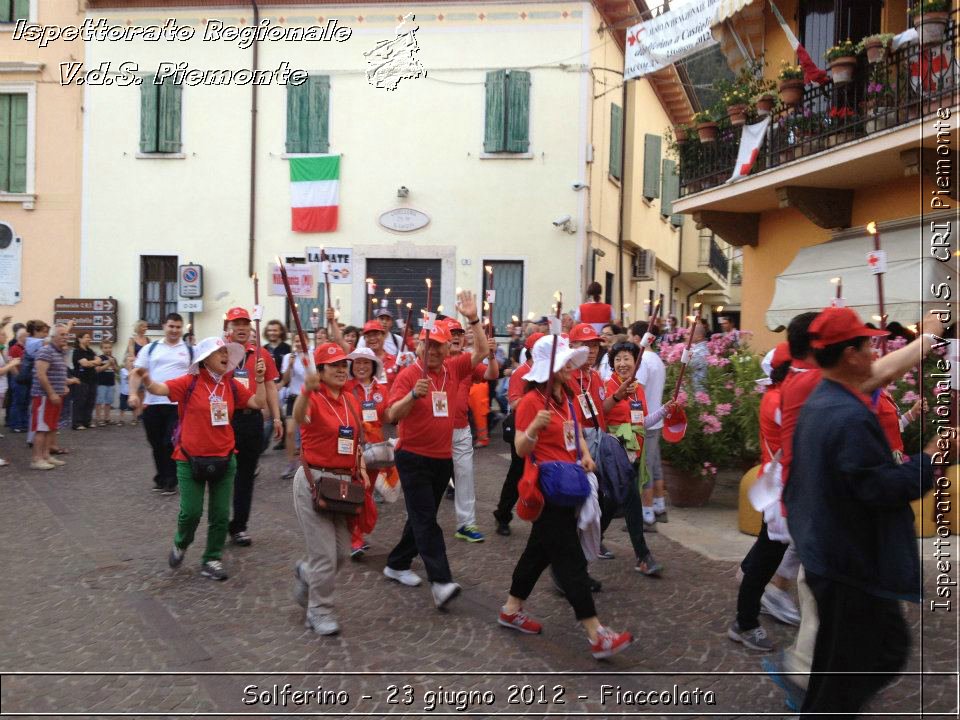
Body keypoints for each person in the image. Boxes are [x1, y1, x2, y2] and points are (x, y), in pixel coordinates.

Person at [784, 307, 945, 717]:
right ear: (851, 355)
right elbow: (881, 488)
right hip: (849, 561)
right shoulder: (845, 413)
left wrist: (925, 342)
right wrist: (930, 459)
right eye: (867, 343)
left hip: (832, 550)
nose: (875, 350)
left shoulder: (825, 395)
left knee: (842, 666)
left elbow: (876, 377)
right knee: (879, 654)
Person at [499, 334, 633, 659]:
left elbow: (575, 434)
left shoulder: (567, 398)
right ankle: (596, 632)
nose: (571, 368)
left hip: (571, 482)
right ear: (551, 369)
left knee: (538, 553)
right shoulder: (532, 402)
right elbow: (520, 448)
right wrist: (532, 429)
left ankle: (511, 609)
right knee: (570, 561)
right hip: (548, 490)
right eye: (564, 364)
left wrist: (585, 455)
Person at [382, 291, 488, 609]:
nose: (433, 351)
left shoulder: (454, 369)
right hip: (412, 456)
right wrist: (413, 395)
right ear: (419, 346)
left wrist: (472, 318)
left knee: (420, 514)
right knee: (427, 518)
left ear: (445, 348)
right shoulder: (409, 375)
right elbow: (391, 415)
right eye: (428, 345)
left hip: (443, 458)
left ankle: (397, 563)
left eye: (439, 346)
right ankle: (441, 581)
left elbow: (482, 350)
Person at [138, 337, 265, 582]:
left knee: (219, 514)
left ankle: (211, 558)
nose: (225, 355)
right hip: (189, 458)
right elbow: (160, 389)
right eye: (219, 352)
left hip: (225, 457)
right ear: (205, 359)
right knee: (191, 513)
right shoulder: (190, 382)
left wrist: (259, 381)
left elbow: (258, 402)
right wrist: (146, 380)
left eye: (226, 352)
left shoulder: (231, 385)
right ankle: (181, 543)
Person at [290, 342, 364, 635]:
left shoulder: (350, 399)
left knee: (342, 554)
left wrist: (360, 467)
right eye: (333, 365)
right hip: (314, 482)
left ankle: (307, 574)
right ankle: (319, 612)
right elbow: (299, 417)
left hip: (343, 484)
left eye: (343, 364)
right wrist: (307, 390)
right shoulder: (314, 397)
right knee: (324, 556)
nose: (340, 370)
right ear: (319, 371)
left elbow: (354, 439)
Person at [601, 341, 675, 575]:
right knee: (632, 501)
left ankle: (588, 542)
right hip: (614, 454)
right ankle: (643, 556)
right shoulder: (607, 386)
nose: (622, 363)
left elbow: (639, 422)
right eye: (618, 359)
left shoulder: (638, 389)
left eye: (627, 359)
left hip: (633, 453)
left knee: (610, 504)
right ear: (612, 363)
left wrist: (664, 411)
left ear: (636, 363)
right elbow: (601, 413)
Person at [223, 307, 282, 547]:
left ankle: (239, 526)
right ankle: (219, 522)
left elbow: (270, 387)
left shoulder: (261, 354)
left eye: (245, 324)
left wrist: (277, 418)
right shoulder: (220, 352)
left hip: (251, 420)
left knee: (246, 475)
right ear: (228, 327)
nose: (241, 328)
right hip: (225, 420)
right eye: (236, 324)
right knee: (222, 473)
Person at [446, 318, 498, 543]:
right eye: (451, 333)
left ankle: (466, 524)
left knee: (465, 476)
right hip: (435, 432)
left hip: (461, 430)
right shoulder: (434, 362)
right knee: (427, 481)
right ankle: (417, 525)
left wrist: (492, 355)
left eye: (459, 332)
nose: (456, 336)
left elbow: (492, 375)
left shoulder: (468, 362)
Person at [129, 314, 193, 494]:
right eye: (171, 326)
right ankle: (161, 477)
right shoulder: (150, 348)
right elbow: (137, 372)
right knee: (155, 443)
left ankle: (171, 480)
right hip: (152, 403)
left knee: (170, 442)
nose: (174, 330)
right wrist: (133, 393)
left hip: (177, 404)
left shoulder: (189, 351)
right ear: (164, 326)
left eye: (178, 327)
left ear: (182, 329)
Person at [492, 331, 544, 536]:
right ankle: (502, 515)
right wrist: (535, 399)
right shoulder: (521, 373)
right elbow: (514, 403)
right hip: (523, 431)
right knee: (516, 475)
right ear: (532, 351)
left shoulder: (548, 372)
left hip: (543, 431)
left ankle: (539, 517)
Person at [344, 346, 394, 558]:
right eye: (357, 363)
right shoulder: (346, 387)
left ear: (372, 366)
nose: (361, 367)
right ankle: (355, 538)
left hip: (375, 450)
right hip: (351, 448)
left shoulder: (382, 390)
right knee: (359, 492)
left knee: (366, 490)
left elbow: (388, 418)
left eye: (366, 362)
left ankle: (356, 535)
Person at [630, 321, 669, 525]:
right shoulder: (657, 360)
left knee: (645, 469)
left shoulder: (643, 360)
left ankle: (646, 515)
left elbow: (638, 391)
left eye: (631, 337)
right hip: (656, 419)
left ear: (638, 338)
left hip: (646, 421)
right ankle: (659, 506)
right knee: (654, 466)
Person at [30, 325, 78, 470]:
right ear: (53, 337)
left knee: (51, 427)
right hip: (44, 396)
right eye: (62, 334)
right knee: (41, 428)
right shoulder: (46, 351)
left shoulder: (60, 352)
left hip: (56, 396)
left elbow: (57, 374)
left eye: (66, 334)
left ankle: (46, 455)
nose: (65, 337)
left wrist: (63, 385)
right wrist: (51, 393)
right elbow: (41, 374)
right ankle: (37, 459)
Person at [280, 335, 310, 480]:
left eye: (301, 340)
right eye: (296, 341)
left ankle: (306, 464)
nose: (299, 343)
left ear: (307, 342)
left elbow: (313, 376)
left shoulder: (311, 355)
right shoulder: (288, 357)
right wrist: (290, 366)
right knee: (290, 432)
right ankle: (291, 464)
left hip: (307, 398)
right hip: (293, 397)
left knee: (307, 433)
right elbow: (285, 380)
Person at [71, 332, 100, 431]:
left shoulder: (90, 351)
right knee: (80, 402)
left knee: (90, 401)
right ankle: (77, 423)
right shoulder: (77, 351)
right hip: (81, 380)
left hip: (92, 379)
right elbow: (85, 364)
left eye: (89, 337)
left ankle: (87, 421)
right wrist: (92, 362)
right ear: (80, 339)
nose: (89, 339)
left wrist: (90, 362)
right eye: (87, 337)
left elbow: (99, 361)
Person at [7, 326, 28, 433]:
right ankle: (15, 425)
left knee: (25, 402)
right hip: (18, 379)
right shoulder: (14, 348)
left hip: (25, 379)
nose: (28, 337)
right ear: (21, 336)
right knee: (17, 402)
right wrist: (18, 377)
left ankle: (24, 423)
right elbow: (12, 365)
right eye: (26, 335)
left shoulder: (26, 348)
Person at [95, 340, 119, 426]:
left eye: (109, 347)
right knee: (99, 401)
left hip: (111, 383)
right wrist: (108, 364)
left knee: (108, 402)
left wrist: (113, 364)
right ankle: (98, 419)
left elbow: (116, 370)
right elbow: (98, 370)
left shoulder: (113, 358)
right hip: (101, 383)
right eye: (105, 348)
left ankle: (107, 418)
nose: (108, 349)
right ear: (101, 349)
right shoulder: (99, 358)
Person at [688, 319, 710, 392]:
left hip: (698, 392)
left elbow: (685, 367)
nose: (686, 336)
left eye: (690, 334)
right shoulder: (696, 349)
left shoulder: (700, 352)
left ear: (699, 336)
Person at [118, 355, 133, 425]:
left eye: (132, 361)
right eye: (129, 361)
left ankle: (134, 419)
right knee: (122, 407)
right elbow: (128, 377)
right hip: (123, 392)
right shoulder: (122, 370)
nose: (131, 363)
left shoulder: (134, 370)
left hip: (132, 393)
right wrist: (130, 370)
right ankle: (121, 420)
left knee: (133, 407)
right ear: (125, 362)